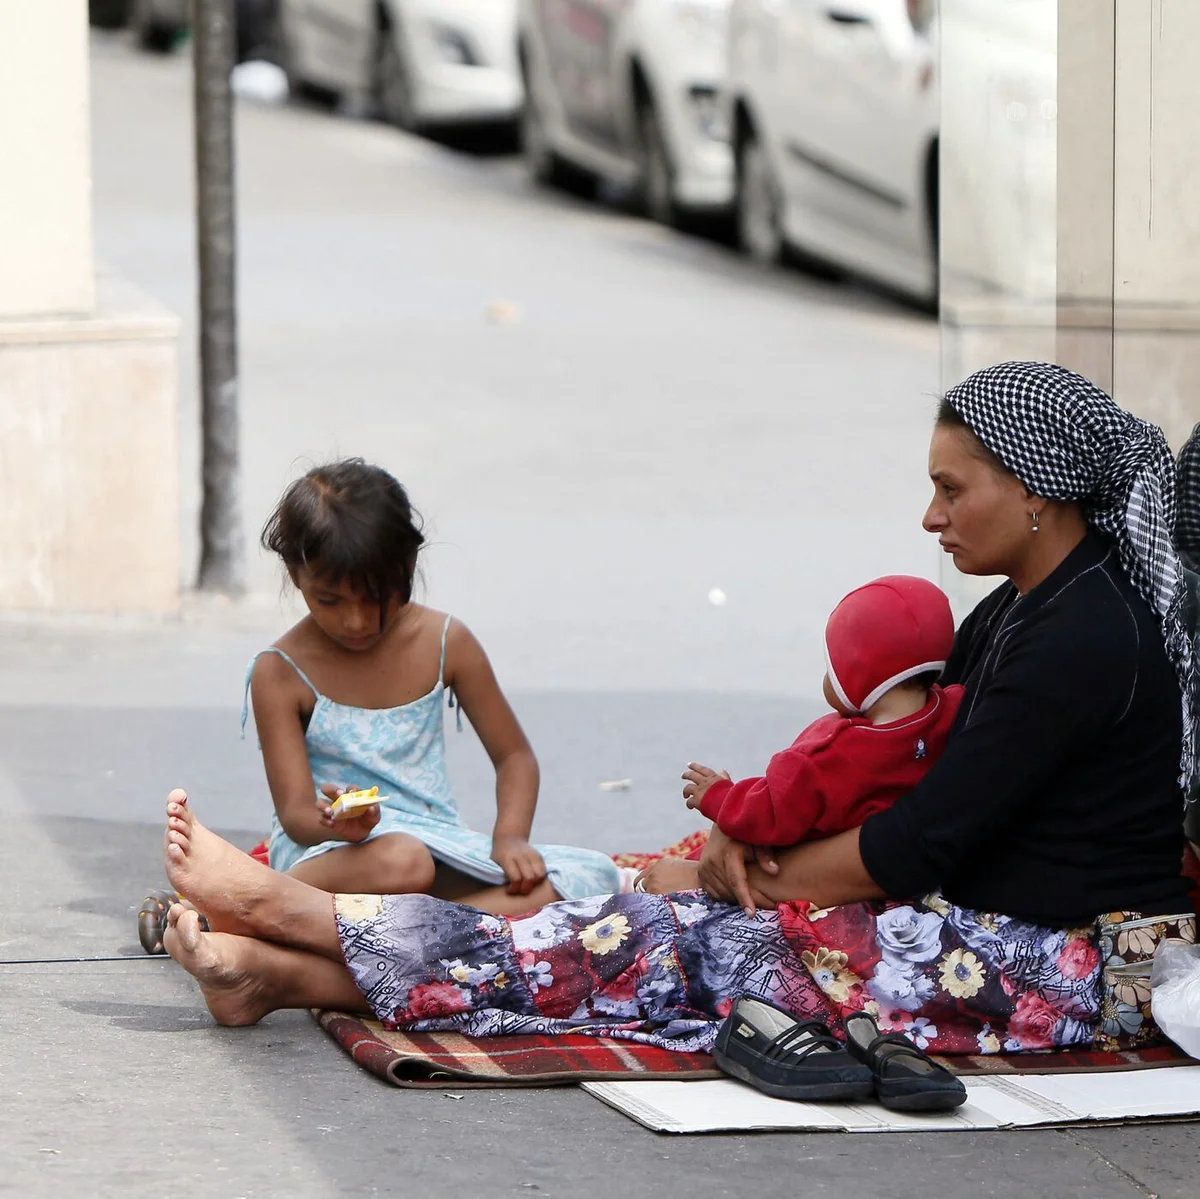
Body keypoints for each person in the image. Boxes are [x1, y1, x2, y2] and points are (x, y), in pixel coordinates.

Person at [161, 363, 1197, 1056]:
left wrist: (756, 874)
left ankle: (296, 919)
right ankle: (276, 974)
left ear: (1038, 490)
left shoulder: (1082, 637)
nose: (930, 517)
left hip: (1052, 962)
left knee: (658, 942)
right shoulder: (1035, 606)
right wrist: (737, 848)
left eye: (951, 488)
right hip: (959, 907)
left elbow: (920, 836)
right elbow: (901, 763)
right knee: (652, 884)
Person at [243, 458, 619, 910]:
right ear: (294, 575)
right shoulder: (280, 671)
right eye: (329, 600)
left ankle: (409, 934)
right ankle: (265, 906)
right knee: (404, 862)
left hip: (437, 846)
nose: (356, 620)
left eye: (378, 597)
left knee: (593, 876)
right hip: (333, 859)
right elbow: (297, 814)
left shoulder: (447, 643)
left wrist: (510, 839)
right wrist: (340, 824)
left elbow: (514, 757)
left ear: (409, 564)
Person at [683, 575, 963, 855]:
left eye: (832, 667)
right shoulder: (954, 710)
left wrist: (717, 795)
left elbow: (771, 812)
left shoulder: (826, 759)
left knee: (697, 860)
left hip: (806, 862)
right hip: (888, 859)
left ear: (858, 671)